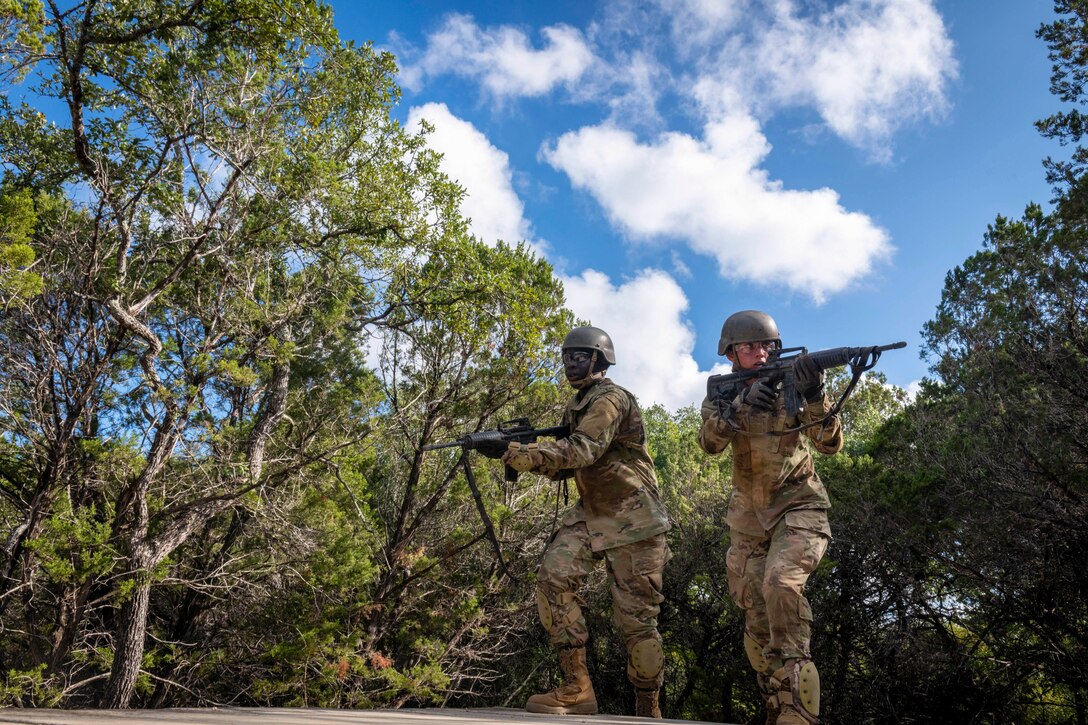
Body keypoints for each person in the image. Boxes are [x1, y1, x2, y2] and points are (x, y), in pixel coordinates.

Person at [501, 326, 672, 719]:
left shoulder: (611, 399)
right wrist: (515, 453)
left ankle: (648, 707)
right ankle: (577, 689)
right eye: (566, 357)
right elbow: (568, 465)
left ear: (599, 360)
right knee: (553, 580)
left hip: (635, 517)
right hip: (591, 512)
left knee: (637, 623)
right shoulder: (578, 404)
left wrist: (532, 454)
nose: (570, 364)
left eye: (579, 357)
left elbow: (584, 449)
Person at [697, 310, 842, 725]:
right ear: (731, 354)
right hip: (748, 519)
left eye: (766, 346)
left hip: (799, 506)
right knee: (756, 616)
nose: (759, 353)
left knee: (781, 584)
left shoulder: (792, 384)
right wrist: (740, 407)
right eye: (748, 347)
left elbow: (829, 443)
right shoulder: (722, 394)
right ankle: (775, 706)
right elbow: (709, 443)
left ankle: (798, 708)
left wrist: (814, 394)